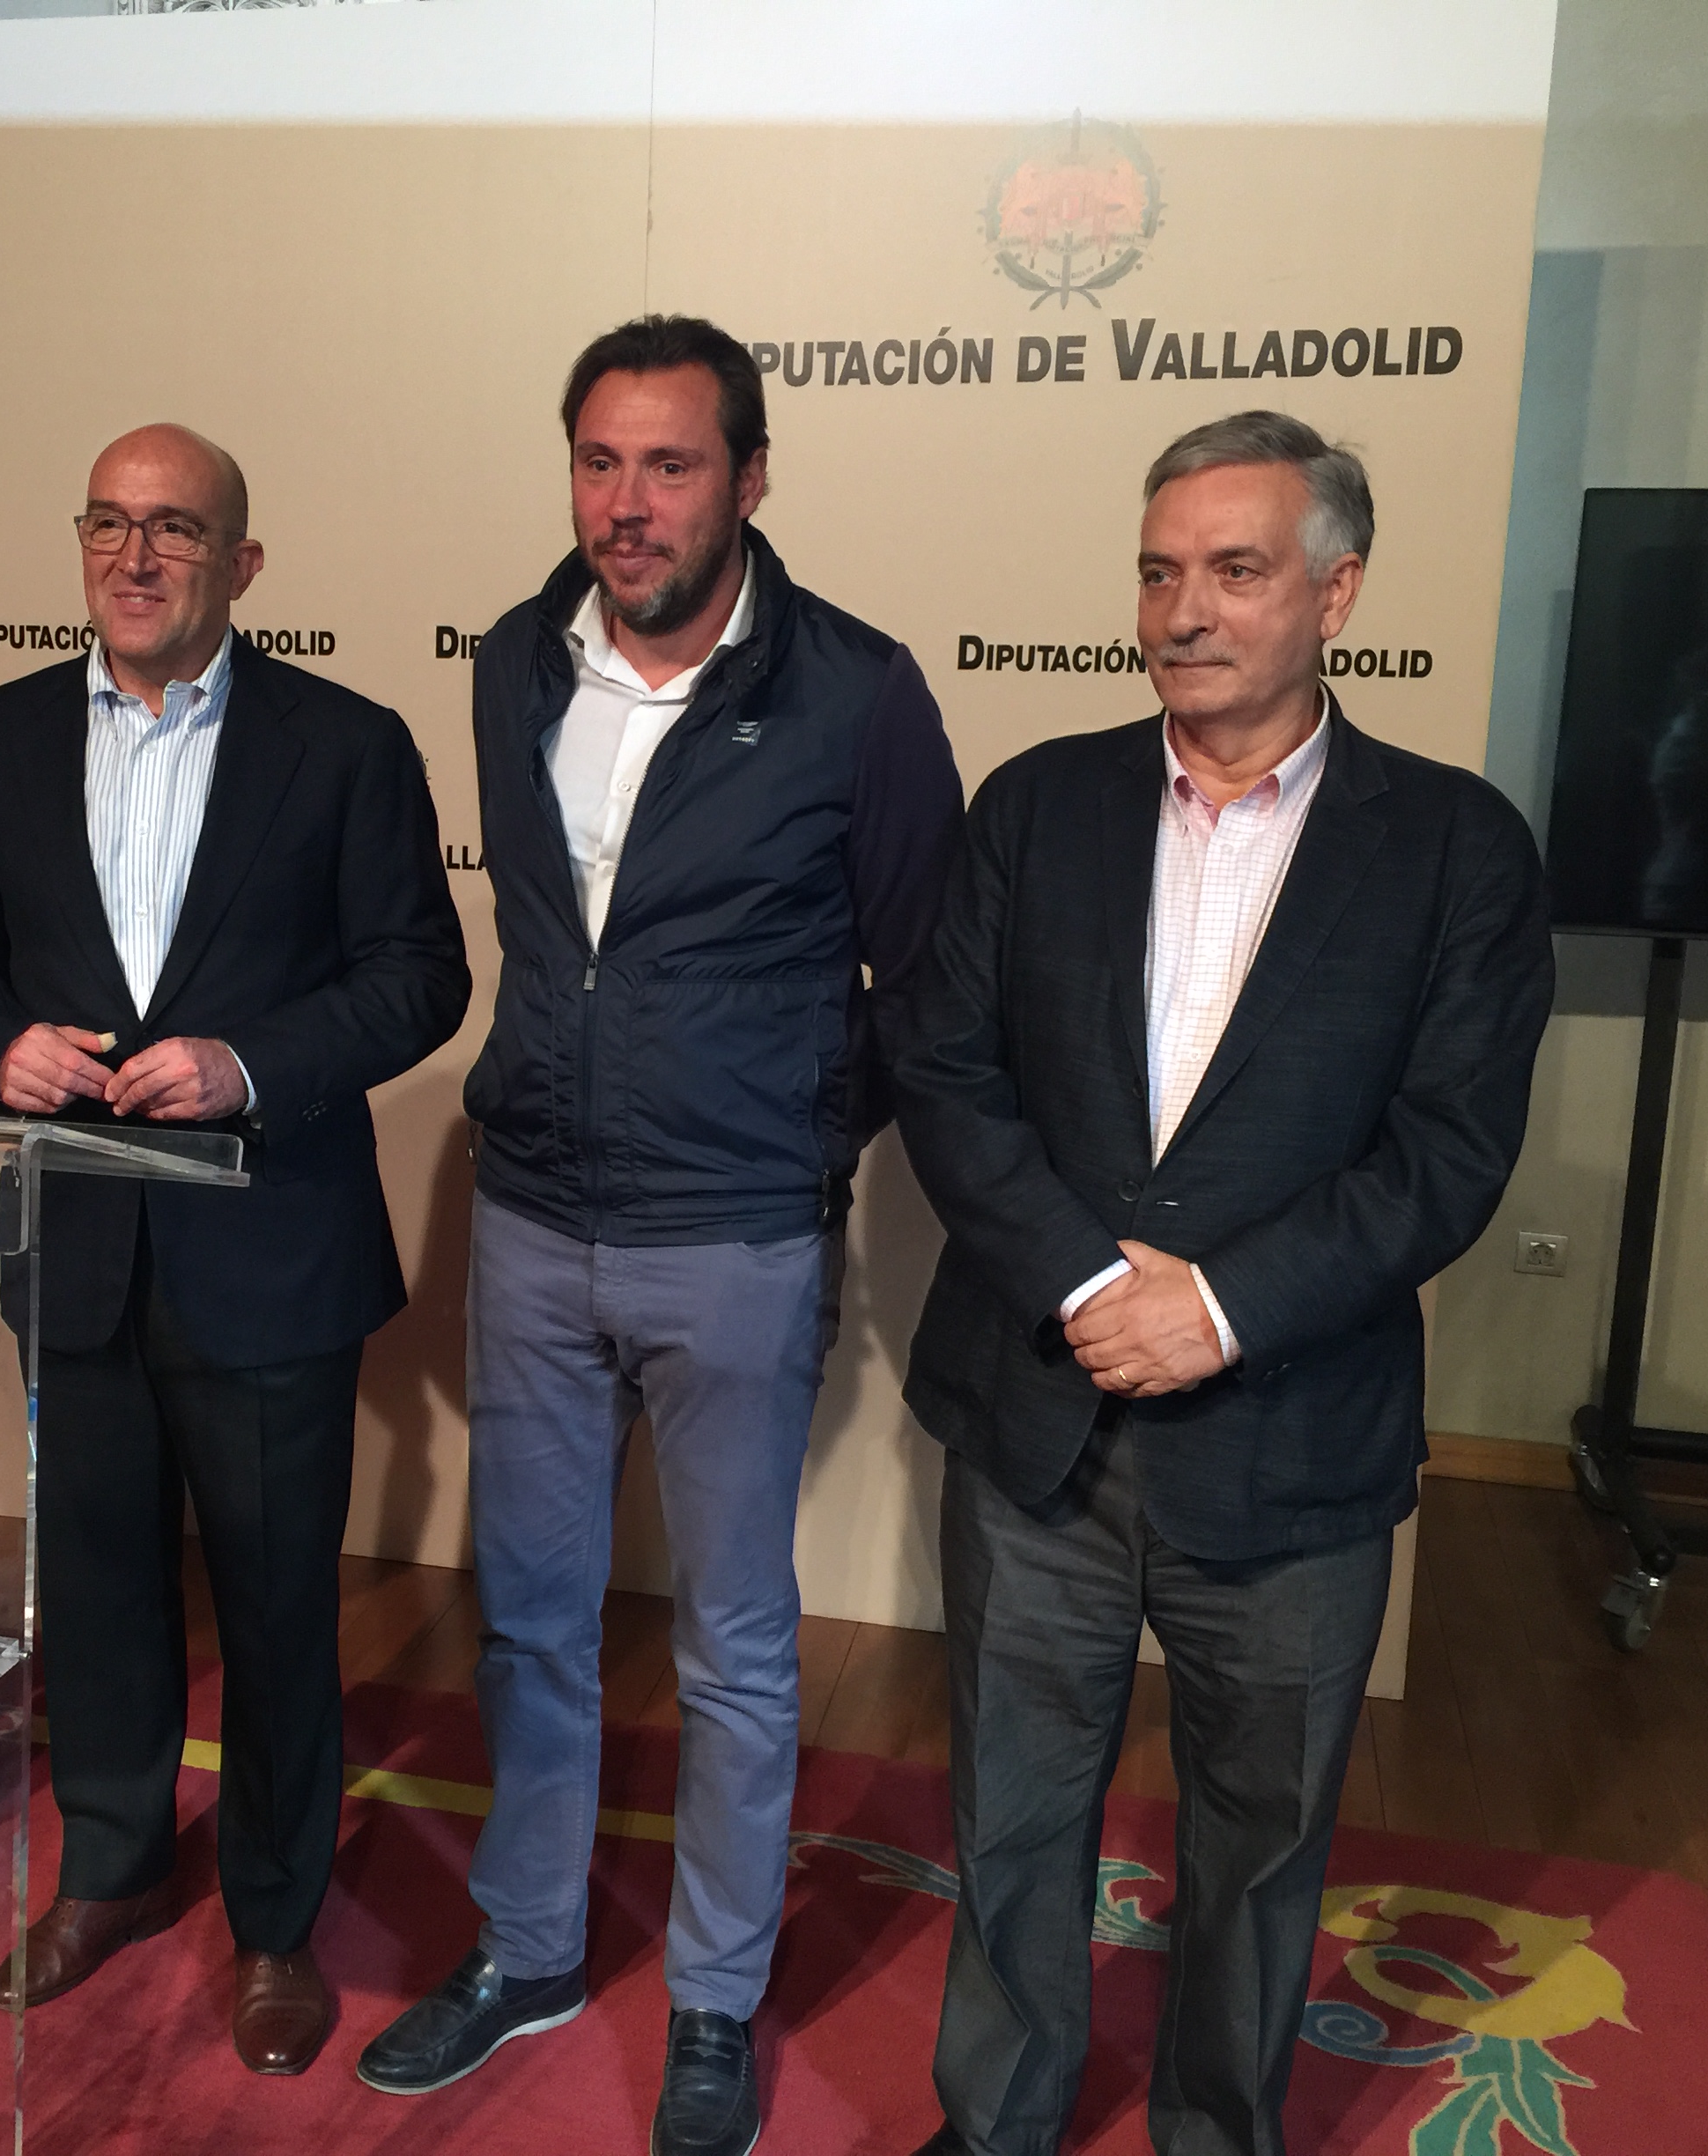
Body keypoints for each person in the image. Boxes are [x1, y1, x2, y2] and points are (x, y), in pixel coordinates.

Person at [890, 410, 1554, 2156]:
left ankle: (1213, 2131)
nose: (1185, 609)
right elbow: (942, 1069)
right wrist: (1090, 1282)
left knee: (1260, 1852)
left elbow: (1446, 1152)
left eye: (1237, 570)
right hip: (1039, 1421)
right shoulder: (1038, 805)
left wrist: (1222, 1309)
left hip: (1294, 1443)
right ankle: (1000, 2124)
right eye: (1160, 570)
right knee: (1014, 1814)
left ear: (1337, 593)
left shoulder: (1458, 848)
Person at [357, 315, 965, 2156]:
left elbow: (932, 978)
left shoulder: (857, 692)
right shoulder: (511, 661)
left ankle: (715, 1997)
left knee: (737, 1647)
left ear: (751, 479)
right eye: (600, 463)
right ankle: (532, 1947)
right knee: (534, 1624)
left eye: (672, 465)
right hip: (535, 1219)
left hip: (735, 1242)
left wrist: (796, 1131)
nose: (629, 505)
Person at [0, 424, 469, 2076]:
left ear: (242, 564)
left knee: (279, 1602)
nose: (133, 557)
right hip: (76, 1244)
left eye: (173, 530)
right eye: (107, 524)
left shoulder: (345, 744)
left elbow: (418, 974)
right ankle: (113, 1867)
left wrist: (248, 1066)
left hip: (270, 1250)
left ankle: (276, 1917)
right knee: (94, 1585)